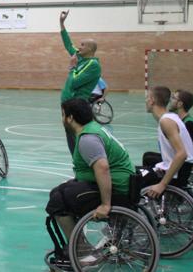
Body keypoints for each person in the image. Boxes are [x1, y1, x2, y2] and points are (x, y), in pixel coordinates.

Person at [45, 98, 135, 270]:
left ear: (70, 118)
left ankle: (84, 252)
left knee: (57, 202)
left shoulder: (88, 138)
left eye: (63, 115)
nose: (62, 119)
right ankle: (79, 243)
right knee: (60, 191)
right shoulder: (93, 128)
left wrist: (105, 204)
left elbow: (102, 168)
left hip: (118, 188)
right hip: (122, 182)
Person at [59, 10, 102, 154]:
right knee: (70, 138)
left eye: (82, 45)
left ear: (90, 49)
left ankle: (82, 166)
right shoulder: (80, 57)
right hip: (67, 105)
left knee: (76, 140)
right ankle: (78, 166)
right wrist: (62, 24)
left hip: (76, 106)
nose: (79, 47)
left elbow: (74, 83)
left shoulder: (93, 65)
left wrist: (72, 67)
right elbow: (68, 44)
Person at [141, 86, 193, 197]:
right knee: (142, 166)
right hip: (177, 168)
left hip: (179, 172)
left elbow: (182, 154)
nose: (145, 101)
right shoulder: (170, 117)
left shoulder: (166, 121)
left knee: (134, 179)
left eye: (147, 98)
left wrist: (162, 184)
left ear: (152, 100)